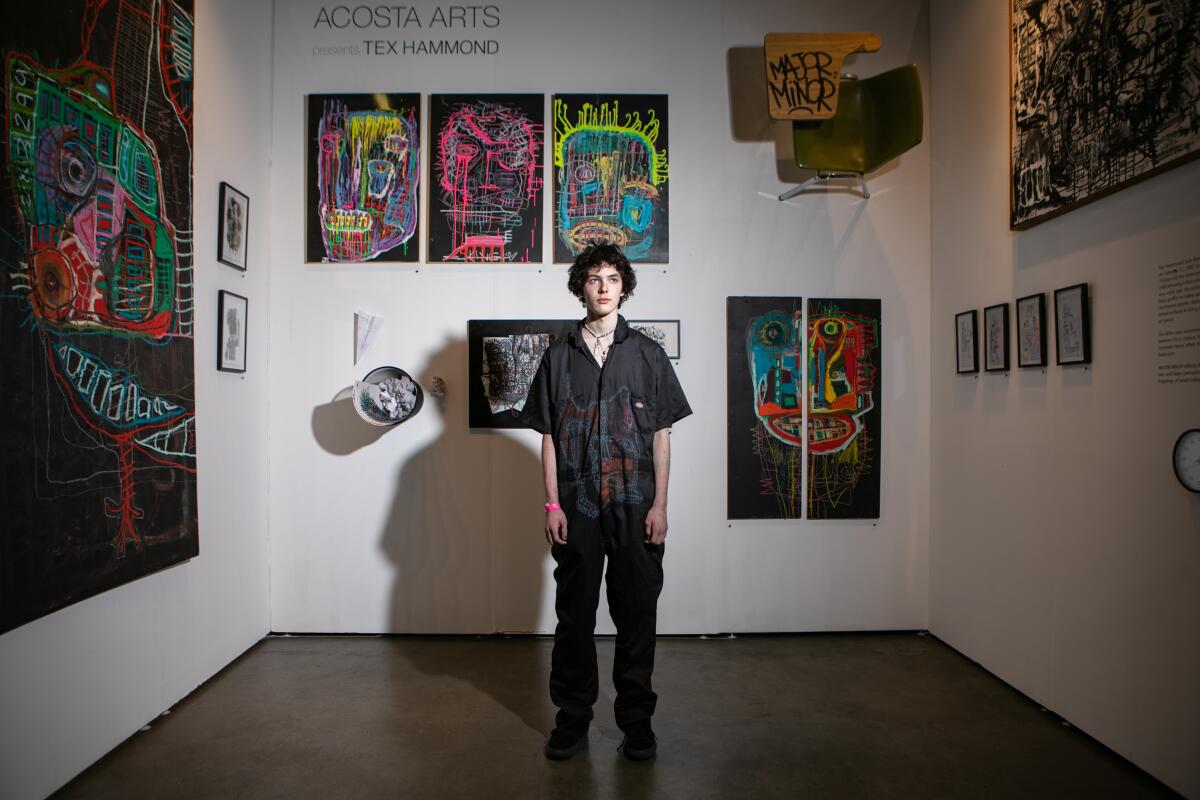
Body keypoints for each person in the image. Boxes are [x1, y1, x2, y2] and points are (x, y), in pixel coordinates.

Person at [520, 244, 692, 762]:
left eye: (612, 278)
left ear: (624, 287)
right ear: (581, 286)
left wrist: (660, 505)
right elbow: (548, 436)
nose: (602, 287)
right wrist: (552, 505)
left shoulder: (648, 355)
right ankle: (572, 718)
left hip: (637, 503)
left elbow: (661, 435)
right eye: (593, 278)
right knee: (575, 615)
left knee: (637, 612)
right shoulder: (558, 356)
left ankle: (636, 722)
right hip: (577, 504)